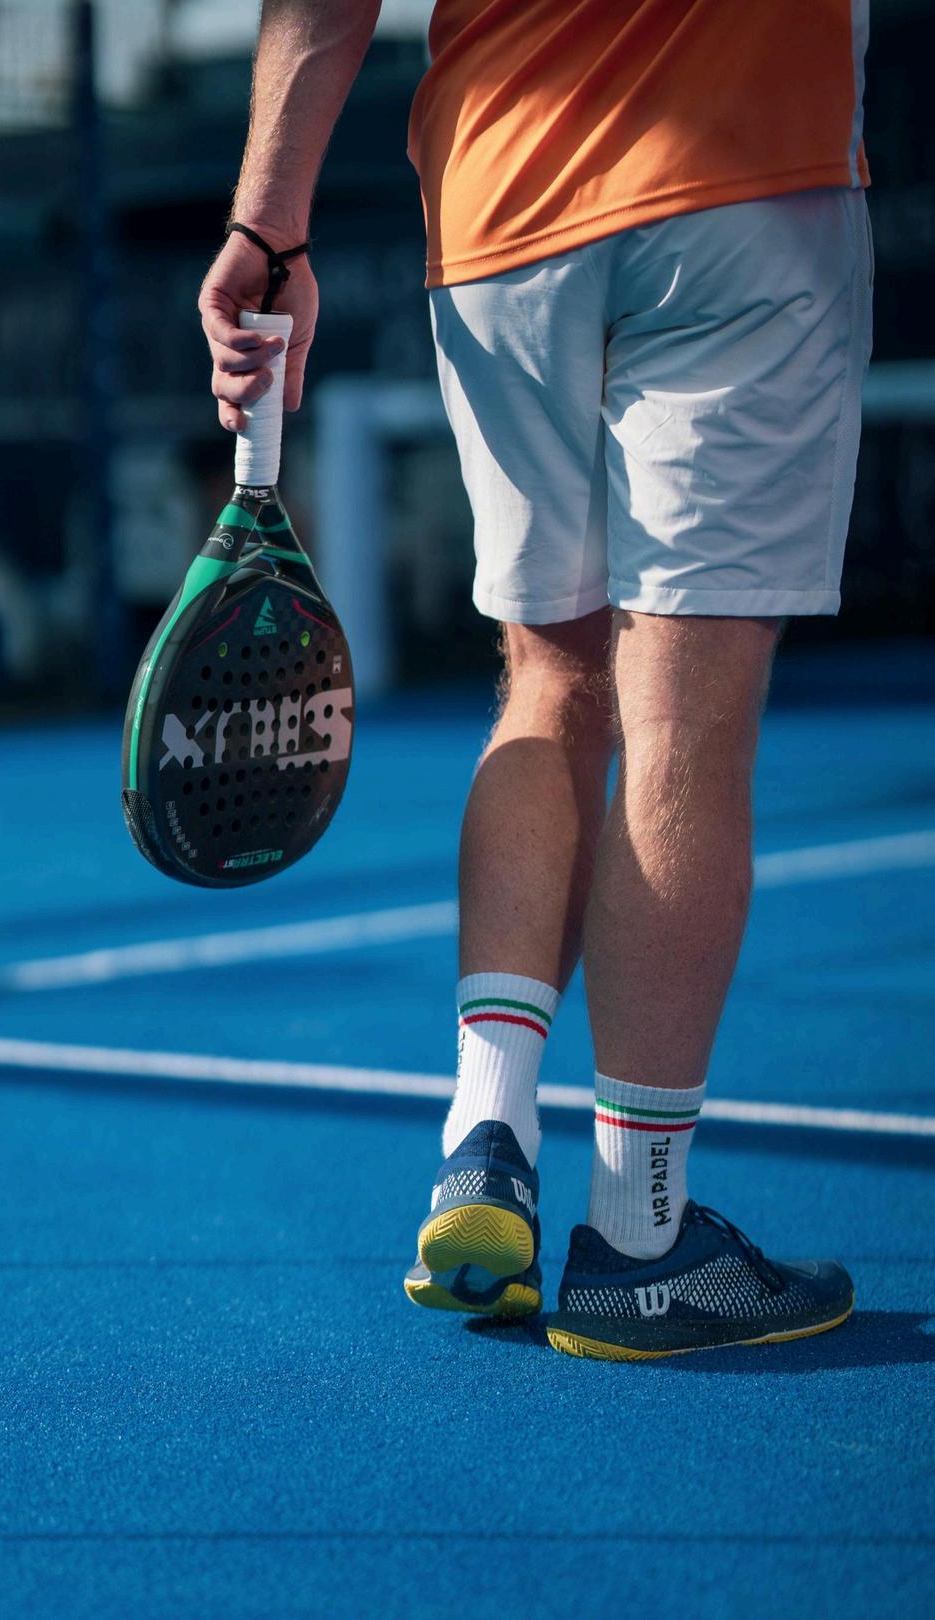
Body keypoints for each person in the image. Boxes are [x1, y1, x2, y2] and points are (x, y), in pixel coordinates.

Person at [198, 0, 871, 1359]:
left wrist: (268, 226)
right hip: (740, 171)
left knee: (551, 679)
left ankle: (484, 1137)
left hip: (502, 207)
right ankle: (642, 1240)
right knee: (682, 727)